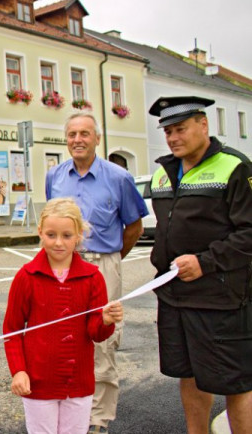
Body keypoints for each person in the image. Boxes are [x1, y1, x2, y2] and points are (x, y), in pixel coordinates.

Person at [147, 96, 252, 434]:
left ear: (203, 125)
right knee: (188, 373)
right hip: (175, 297)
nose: (173, 137)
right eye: (168, 132)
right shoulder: (163, 172)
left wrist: (205, 263)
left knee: (234, 381)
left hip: (219, 299)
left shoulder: (235, 167)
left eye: (181, 129)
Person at [45, 113, 148, 433]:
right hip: (63, 265)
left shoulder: (118, 177)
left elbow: (134, 226)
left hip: (103, 264)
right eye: (72, 133)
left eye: (85, 133)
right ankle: (69, 409)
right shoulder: (54, 176)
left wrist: (112, 258)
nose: (78, 139)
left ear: (97, 139)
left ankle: (96, 420)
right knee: (63, 336)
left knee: (103, 340)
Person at [4, 198, 124, 434]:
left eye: (67, 236)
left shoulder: (93, 277)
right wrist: (18, 370)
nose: (58, 243)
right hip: (38, 382)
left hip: (79, 382)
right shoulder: (26, 277)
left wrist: (107, 320)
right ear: (40, 233)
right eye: (51, 235)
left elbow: (95, 333)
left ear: (79, 235)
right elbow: (12, 331)